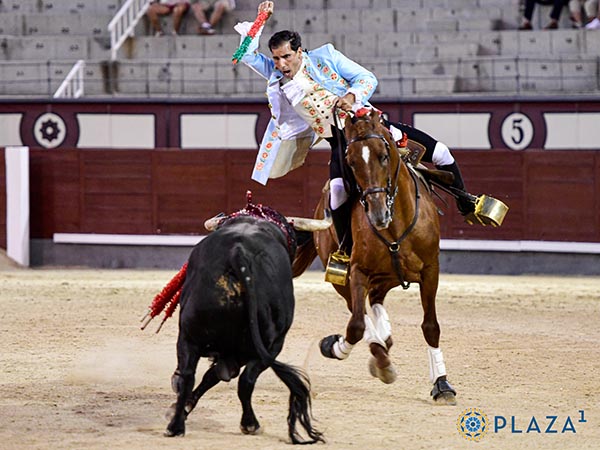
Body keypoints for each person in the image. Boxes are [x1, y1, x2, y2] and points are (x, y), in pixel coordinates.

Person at [238, 1, 473, 254]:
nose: (281, 64)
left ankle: (468, 205)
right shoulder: (275, 75)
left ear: (299, 52)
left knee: (441, 153)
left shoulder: (326, 57)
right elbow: (246, 55)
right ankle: (345, 251)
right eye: (276, 58)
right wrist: (261, 19)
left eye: (286, 57)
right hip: (339, 141)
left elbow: (366, 78)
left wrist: (350, 97)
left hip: (370, 126)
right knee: (337, 191)